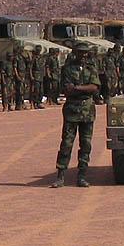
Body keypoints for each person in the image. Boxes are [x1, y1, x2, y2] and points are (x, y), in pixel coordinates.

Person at [51, 44, 100, 188]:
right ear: (75, 53)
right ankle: (60, 175)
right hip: (72, 110)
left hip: (87, 111)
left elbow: (94, 87)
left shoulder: (91, 68)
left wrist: (77, 88)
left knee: (85, 144)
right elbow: (66, 89)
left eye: (86, 53)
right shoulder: (67, 69)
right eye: (81, 53)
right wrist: (83, 89)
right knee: (66, 143)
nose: (84, 56)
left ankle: (82, 176)